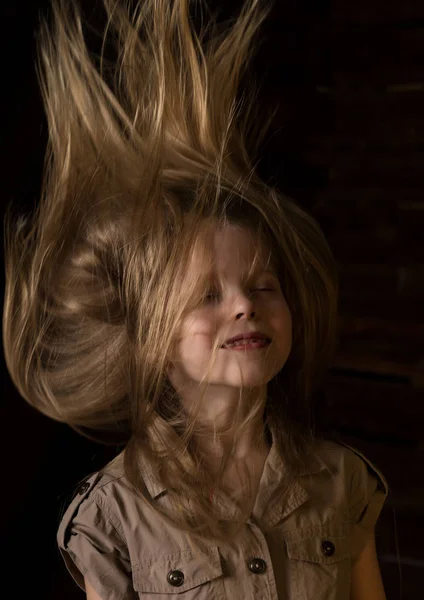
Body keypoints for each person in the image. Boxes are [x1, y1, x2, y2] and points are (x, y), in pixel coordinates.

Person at [3, 0, 389, 598]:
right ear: (151, 336)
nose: (244, 305)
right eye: (208, 295)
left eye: (264, 287)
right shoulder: (116, 516)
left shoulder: (343, 482)